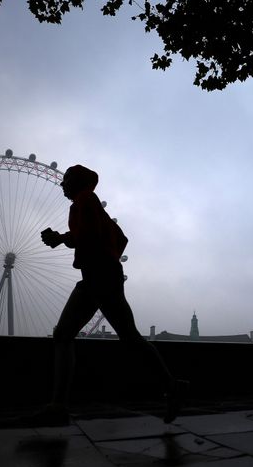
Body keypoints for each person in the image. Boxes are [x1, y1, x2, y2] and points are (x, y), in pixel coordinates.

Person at [33, 164, 185, 426]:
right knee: (121, 337)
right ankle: (171, 385)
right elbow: (118, 238)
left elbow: (89, 234)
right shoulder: (88, 203)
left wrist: (61, 238)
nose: (62, 184)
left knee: (70, 335)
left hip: (99, 277)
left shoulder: (85, 199)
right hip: (100, 275)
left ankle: (59, 406)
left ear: (78, 182)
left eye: (66, 179)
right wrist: (69, 240)